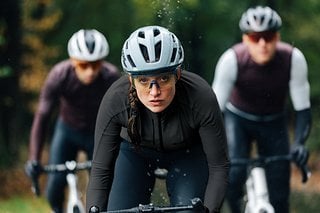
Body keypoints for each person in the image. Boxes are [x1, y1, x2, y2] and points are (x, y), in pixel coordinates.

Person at [85, 25, 229, 213]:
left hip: (187, 155)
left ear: (177, 74)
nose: (154, 92)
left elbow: (219, 167)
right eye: (143, 80)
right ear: (131, 80)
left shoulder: (201, 97)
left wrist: (209, 209)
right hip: (134, 155)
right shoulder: (115, 100)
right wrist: (94, 208)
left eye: (163, 79)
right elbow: (101, 169)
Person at [211, 6, 312, 213]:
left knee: (280, 190)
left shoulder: (294, 59)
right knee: (234, 175)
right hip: (238, 120)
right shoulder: (231, 60)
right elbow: (213, 111)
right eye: (256, 38)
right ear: (245, 39)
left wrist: (299, 143)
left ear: (278, 37)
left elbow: (303, 109)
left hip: (274, 122)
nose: (263, 44)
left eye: (269, 36)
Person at [24, 29, 120, 213]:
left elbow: (122, 116)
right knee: (55, 187)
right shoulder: (59, 75)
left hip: (97, 134)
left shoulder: (111, 77)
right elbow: (42, 116)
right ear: (73, 61)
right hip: (67, 131)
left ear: (103, 62)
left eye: (95, 64)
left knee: (103, 188)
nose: (90, 72)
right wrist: (34, 158)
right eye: (84, 65)